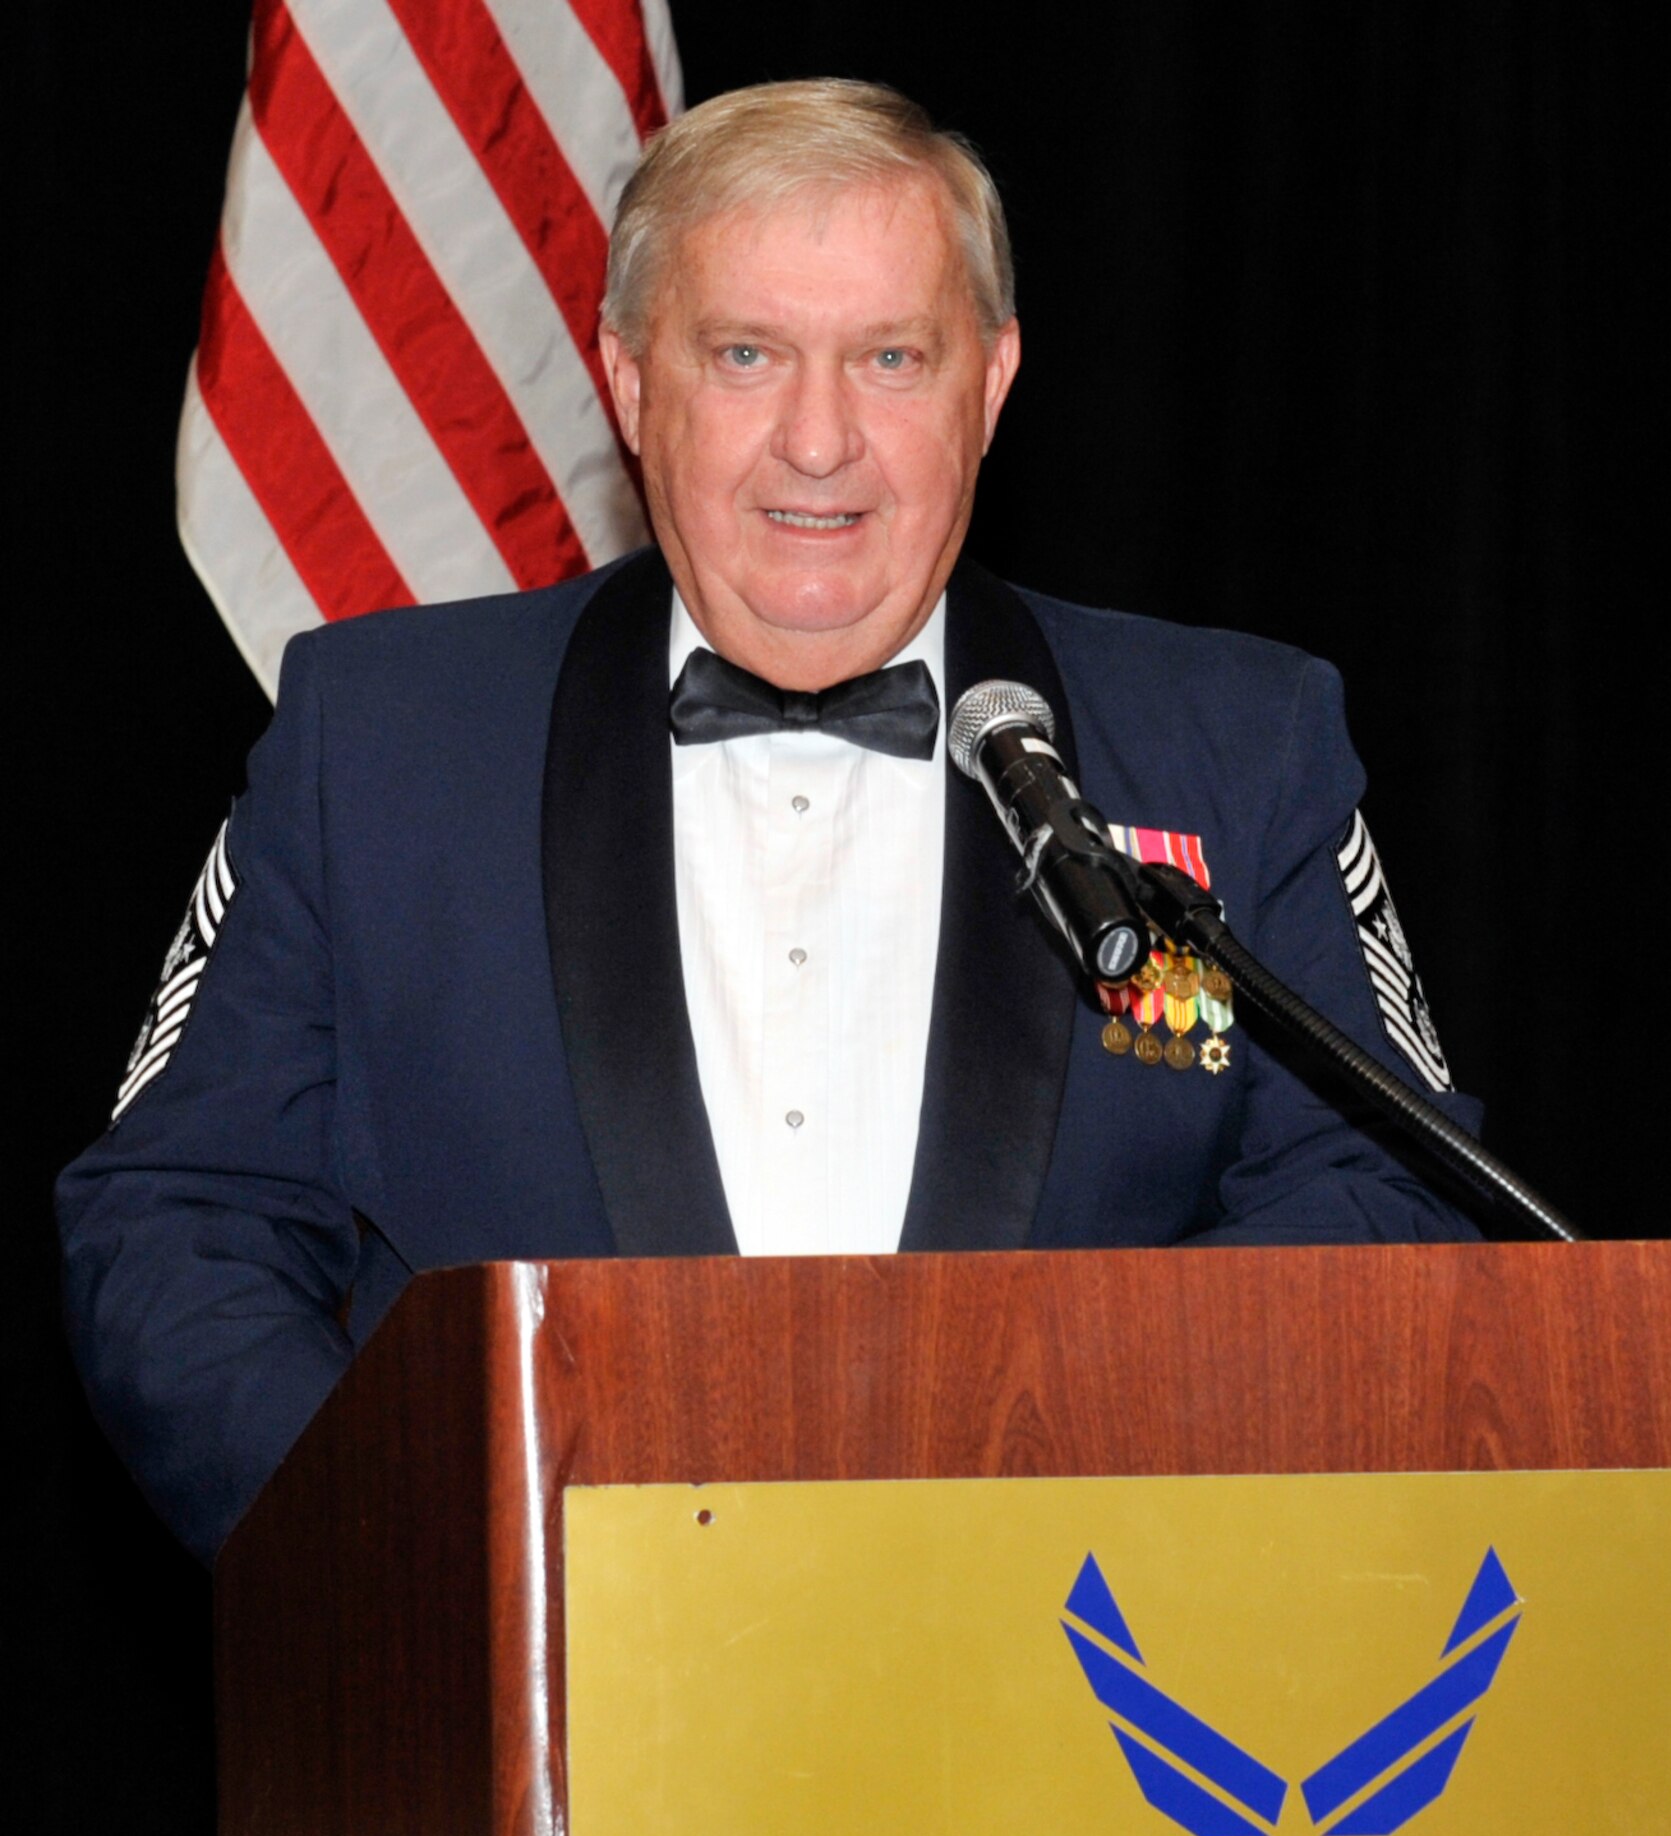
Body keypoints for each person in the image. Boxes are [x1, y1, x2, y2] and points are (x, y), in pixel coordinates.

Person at [58, 80, 1483, 1565]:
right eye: (746, 354)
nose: (819, 440)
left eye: (891, 358)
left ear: (991, 383)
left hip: (1085, 1659)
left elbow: (1391, 1197)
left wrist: (1085, 1475)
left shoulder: (1237, 745)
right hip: (523, 1671)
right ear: (629, 381)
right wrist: (408, 1560)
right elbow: (179, 1219)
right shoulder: (379, 745)